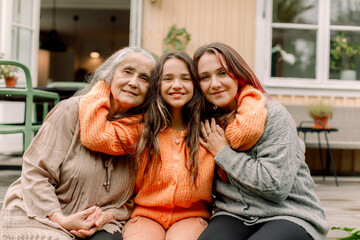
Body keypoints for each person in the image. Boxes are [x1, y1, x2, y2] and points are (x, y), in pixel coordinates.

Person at [78, 51, 268, 240]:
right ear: (157, 85)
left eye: (185, 78)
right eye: (168, 78)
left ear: (195, 85)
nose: (176, 85)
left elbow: (246, 132)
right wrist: (103, 85)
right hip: (145, 216)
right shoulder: (143, 128)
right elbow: (95, 136)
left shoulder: (209, 129)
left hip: (191, 217)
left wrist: (245, 90)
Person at [0, 46, 155, 240]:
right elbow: (36, 171)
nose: (133, 82)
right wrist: (60, 219)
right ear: (110, 75)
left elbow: (130, 199)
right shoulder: (71, 111)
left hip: (100, 222)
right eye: (127, 71)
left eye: (144, 78)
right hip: (43, 214)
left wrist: (106, 216)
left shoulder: (144, 132)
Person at [193, 42, 329, 240]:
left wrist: (224, 152)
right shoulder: (206, 122)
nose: (214, 84)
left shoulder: (272, 115)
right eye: (205, 77)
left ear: (238, 73)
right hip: (233, 213)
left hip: (288, 213)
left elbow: (276, 187)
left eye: (222, 73)